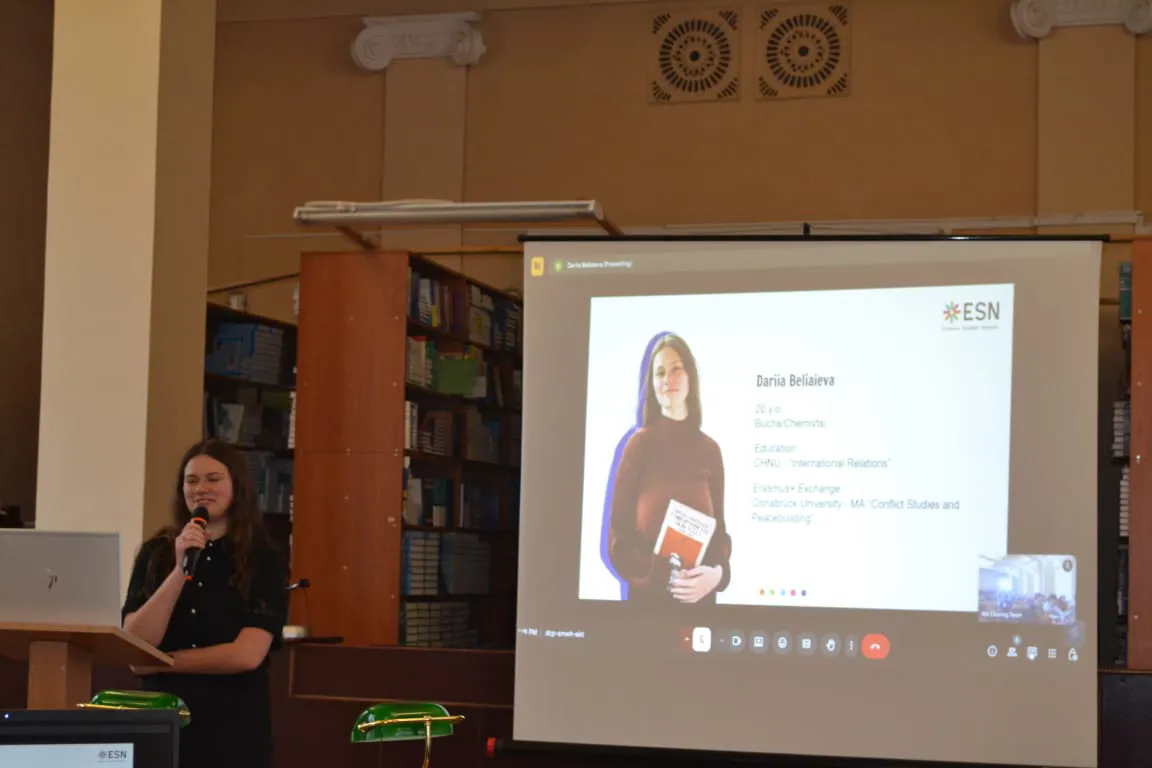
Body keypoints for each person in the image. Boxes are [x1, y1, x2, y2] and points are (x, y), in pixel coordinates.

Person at [122, 438, 289, 768]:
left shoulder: (264, 557)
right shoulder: (156, 552)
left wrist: (161, 662)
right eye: (192, 480)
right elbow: (136, 645)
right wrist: (179, 570)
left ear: (236, 486)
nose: (201, 489)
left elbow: (246, 654)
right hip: (161, 720)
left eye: (213, 479)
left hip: (233, 725)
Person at [607, 332, 731, 607]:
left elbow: (719, 533)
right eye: (660, 373)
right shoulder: (638, 446)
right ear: (651, 384)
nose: (668, 379)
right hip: (649, 608)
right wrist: (663, 574)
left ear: (690, 377)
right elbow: (618, 540)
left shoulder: (710, 450)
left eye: (676, 369)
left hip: (700, 607)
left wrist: (718, 574)